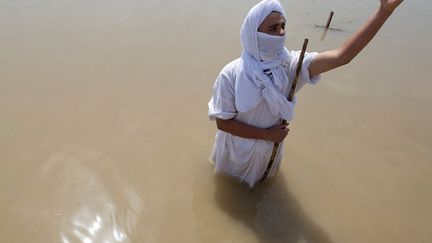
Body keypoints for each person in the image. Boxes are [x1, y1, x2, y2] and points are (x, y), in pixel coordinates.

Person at [208, 0, 403, 187]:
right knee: (227, 192)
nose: (282, 32)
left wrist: (383, 13)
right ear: (253, 33)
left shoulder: (292, 65)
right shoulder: (231, 74)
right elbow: (223, 123)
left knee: (262, 190)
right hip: (233, 155)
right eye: (273, 28)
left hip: (268, 155)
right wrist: (266, 134)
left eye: (283, 26)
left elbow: (342, 56)